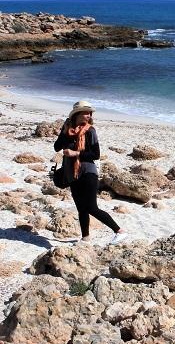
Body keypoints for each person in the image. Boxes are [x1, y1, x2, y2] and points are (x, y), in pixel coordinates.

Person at [54, 100, 127, 244]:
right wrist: (63, 133)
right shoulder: (67, 129)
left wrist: (76, 153)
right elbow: (57, 147)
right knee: (81, 208)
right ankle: (85, 238)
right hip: (72, 174)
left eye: (89, 113)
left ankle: (119, 231)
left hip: (88, 172)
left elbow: (95, 154)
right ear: (77, 115)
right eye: (85, 113)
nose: (89, 115)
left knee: (91, 207)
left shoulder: (90, 131)